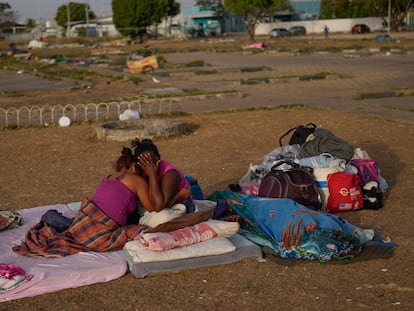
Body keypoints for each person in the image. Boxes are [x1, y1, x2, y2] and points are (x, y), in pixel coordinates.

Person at [13, 148, 153, 257]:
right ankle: (54, 218)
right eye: (141, 171)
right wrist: (152, 174)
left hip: (85, 218)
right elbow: (153, 207)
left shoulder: (108, 177)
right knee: (142, 230)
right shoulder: (136, 180)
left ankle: (54, 218)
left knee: (73, 228)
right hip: (98, 227)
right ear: (134, 167)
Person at [131, 138, 195, 227]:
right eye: (146, 163)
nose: (151, 166)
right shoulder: (141, 172)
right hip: (162, 206)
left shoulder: (170, 174)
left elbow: (159, 206)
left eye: (154, 162)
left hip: (179, 207)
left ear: (159, 158)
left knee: (164, 218)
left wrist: (152, 175)